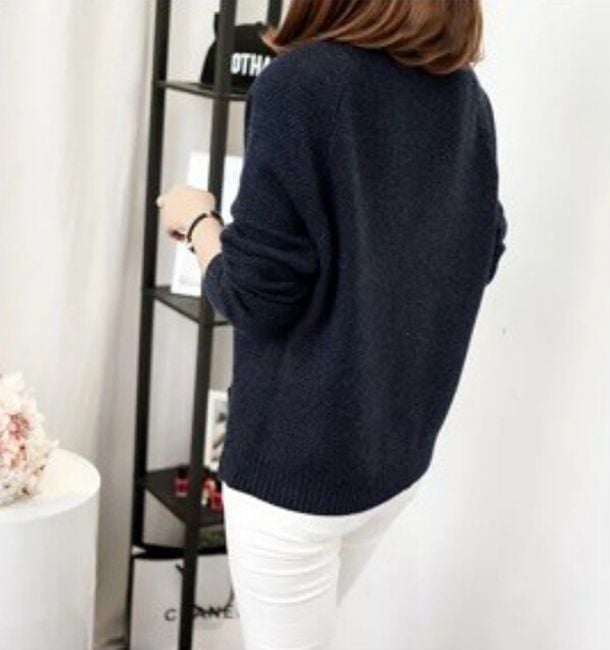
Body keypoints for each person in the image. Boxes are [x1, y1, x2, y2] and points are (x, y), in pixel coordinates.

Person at [156, 0, 507, 647]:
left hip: (295, 475)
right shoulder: (464, 97)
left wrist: (198, 221)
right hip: (394, 462)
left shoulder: (300, 85)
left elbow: (252, 295)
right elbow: (480, 250)